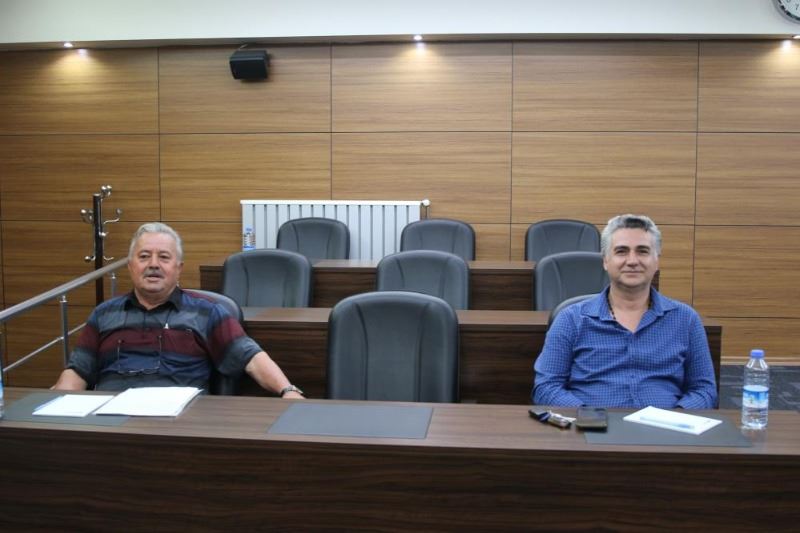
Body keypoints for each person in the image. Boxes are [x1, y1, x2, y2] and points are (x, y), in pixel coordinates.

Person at [53, 222, 304, 398]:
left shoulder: (207, 312)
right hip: (111, 422)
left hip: (180, 423)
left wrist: (288, 390)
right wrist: (55, 404)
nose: (153, 264)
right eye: (144, 256)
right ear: (130, 266)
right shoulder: (104, 314)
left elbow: (251, 358)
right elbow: (78, 371)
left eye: (164, 257)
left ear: (178, 268)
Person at [532, 214, 717, 409]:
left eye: (643, 251)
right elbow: (546, 388)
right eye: (621, 251)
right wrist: (588, 416)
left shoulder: (686, 319)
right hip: (592, 424)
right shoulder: (571, 319)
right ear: (605, 261)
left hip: (665, 425)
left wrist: (677, 417)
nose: (632, 261)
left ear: (656, 261)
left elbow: (704, 390)